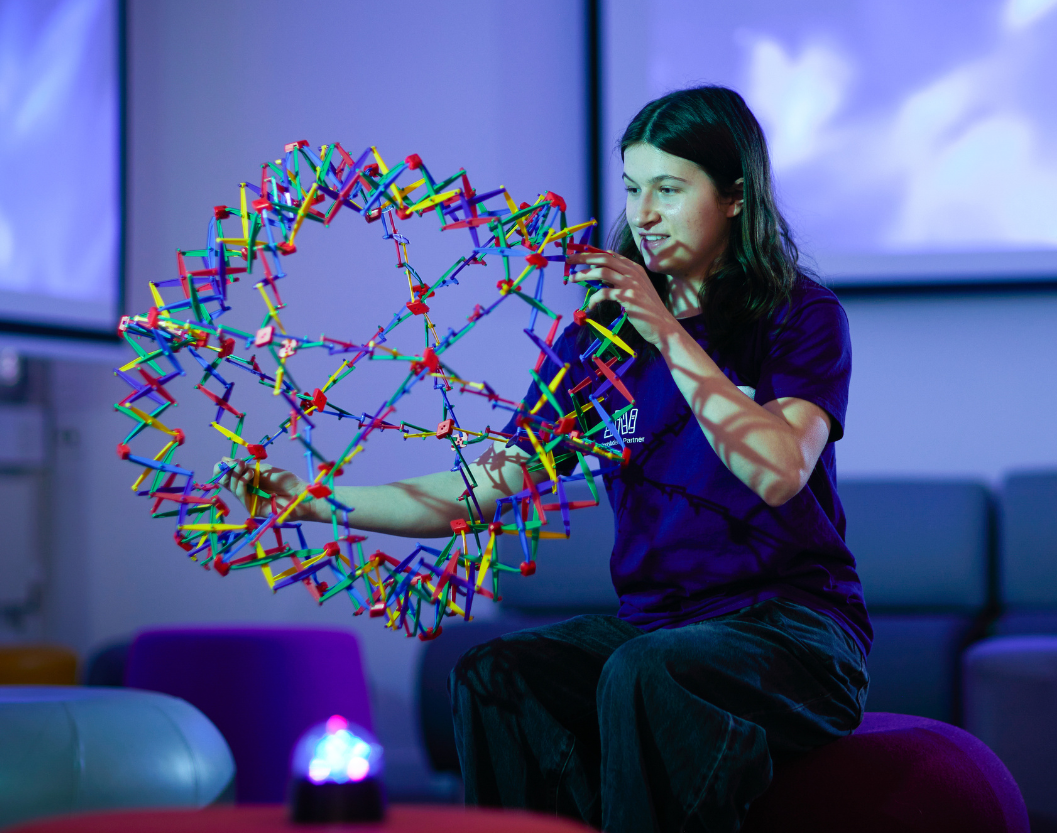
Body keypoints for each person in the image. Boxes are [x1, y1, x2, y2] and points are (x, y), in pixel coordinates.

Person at [222, 86, 871, 833]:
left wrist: (664, 329)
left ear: (733, 197)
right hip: (659, 632)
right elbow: (481, 490)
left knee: (646, 672)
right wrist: (317, 501)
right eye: (633, 189)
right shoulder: (596, 346)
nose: (644, 215)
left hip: (795, 632)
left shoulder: (800, 314)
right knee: (495, 675)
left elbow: (779, 470)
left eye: (669, 189)